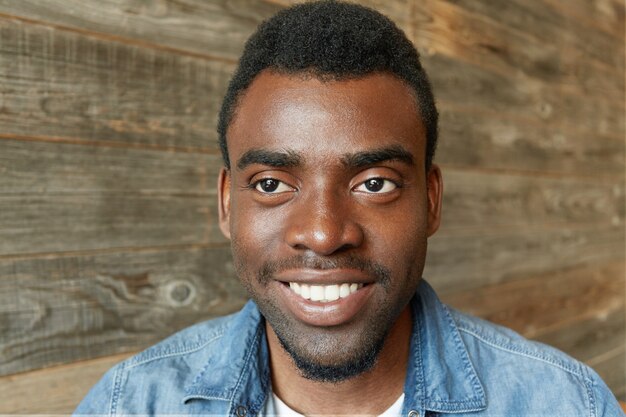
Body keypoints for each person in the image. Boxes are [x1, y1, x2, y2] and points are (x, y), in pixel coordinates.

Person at [74, 1, 622, 416]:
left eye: (375, 182)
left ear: (431, 201)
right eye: (270, 184)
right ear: (226, 203)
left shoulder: (566, 403)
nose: (322, 233)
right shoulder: (129, 405)